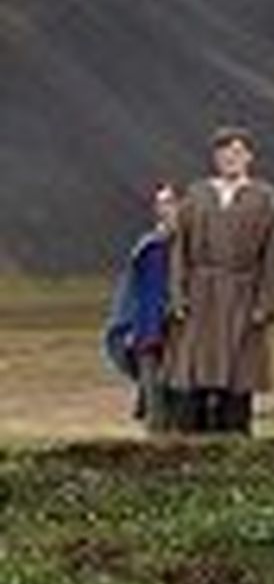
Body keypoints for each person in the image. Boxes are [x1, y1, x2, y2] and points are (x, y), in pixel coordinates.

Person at [164, 127, 274, 435]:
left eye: (238, 152)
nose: (231, 158)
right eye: (224, 152)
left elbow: (272, 255)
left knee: (238, 374)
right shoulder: (197, 193)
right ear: (215, 157)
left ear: (249, 157)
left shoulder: (263, 196)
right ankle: (190, 443)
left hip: (242, 294)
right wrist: (178, 295)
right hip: (200, 293)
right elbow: (180, 247)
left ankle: (235, 442)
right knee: (192, 373)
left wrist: (266, 303)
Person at [103, 182, 181, 433]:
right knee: (157, 412)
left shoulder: (194, 246)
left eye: (171, 202)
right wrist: (130, 330)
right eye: (162, 203)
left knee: (187, 411)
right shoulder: (148, 247)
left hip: (185, 338)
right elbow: (133, 293)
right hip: (150, 338)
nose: (167, 209)